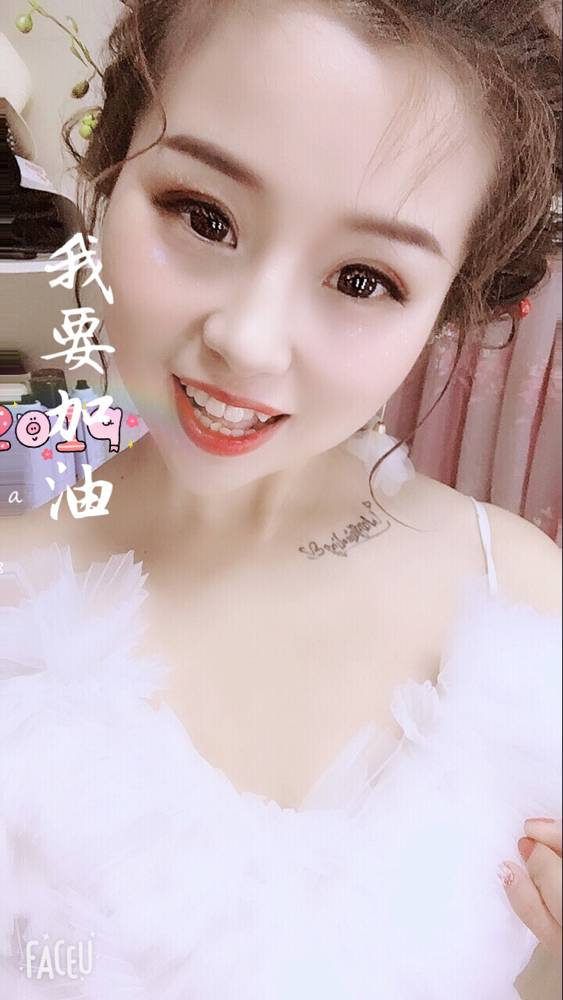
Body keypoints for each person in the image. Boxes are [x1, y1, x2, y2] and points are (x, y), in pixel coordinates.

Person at [1, 1, 561, 996]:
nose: (248, 342)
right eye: (202, 215)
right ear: (110, 169)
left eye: (363, 278)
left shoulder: (522, 605)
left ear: (449, 303)